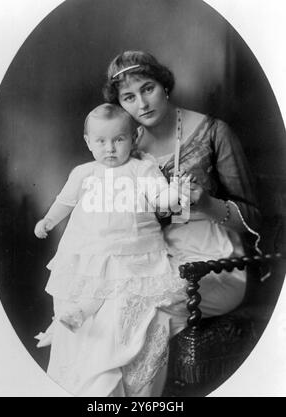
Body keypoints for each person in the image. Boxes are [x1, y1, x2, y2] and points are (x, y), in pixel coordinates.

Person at [103, 49, 261, 384]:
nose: (142, 104)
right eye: (129, 97)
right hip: (156, 260)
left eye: (148, 89)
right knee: (106, 311)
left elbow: (255, 217)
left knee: (138, 310)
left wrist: (207, 204)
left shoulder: (214, 132)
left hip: (215, 262)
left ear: (165, 85)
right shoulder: (126, 148)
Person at [34, 103, 190, 396]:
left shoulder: (142, 168)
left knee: (122, 290)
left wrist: (174, 195)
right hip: (91, 250)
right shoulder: (83, 173)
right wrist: (48, 220)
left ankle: (88, 315)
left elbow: (160, 199)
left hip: (135, 251)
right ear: (87, 142)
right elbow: (64, 202)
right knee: (93, 282)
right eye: (101, 141)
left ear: (135, 137)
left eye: (119, 139)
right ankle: (79, 312)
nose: (110, 148)